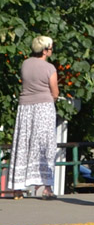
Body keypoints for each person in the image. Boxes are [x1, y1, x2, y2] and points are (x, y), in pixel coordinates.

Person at [8, 35, 60, 199]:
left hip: (25, 107)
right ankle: (46, 187)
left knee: (23, 142)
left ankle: (17, 187)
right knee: (44, 144)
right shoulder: (49, 68)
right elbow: (55, 92)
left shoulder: (25, 64)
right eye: (50, 48)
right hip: (43, 107)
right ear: (45, 50)